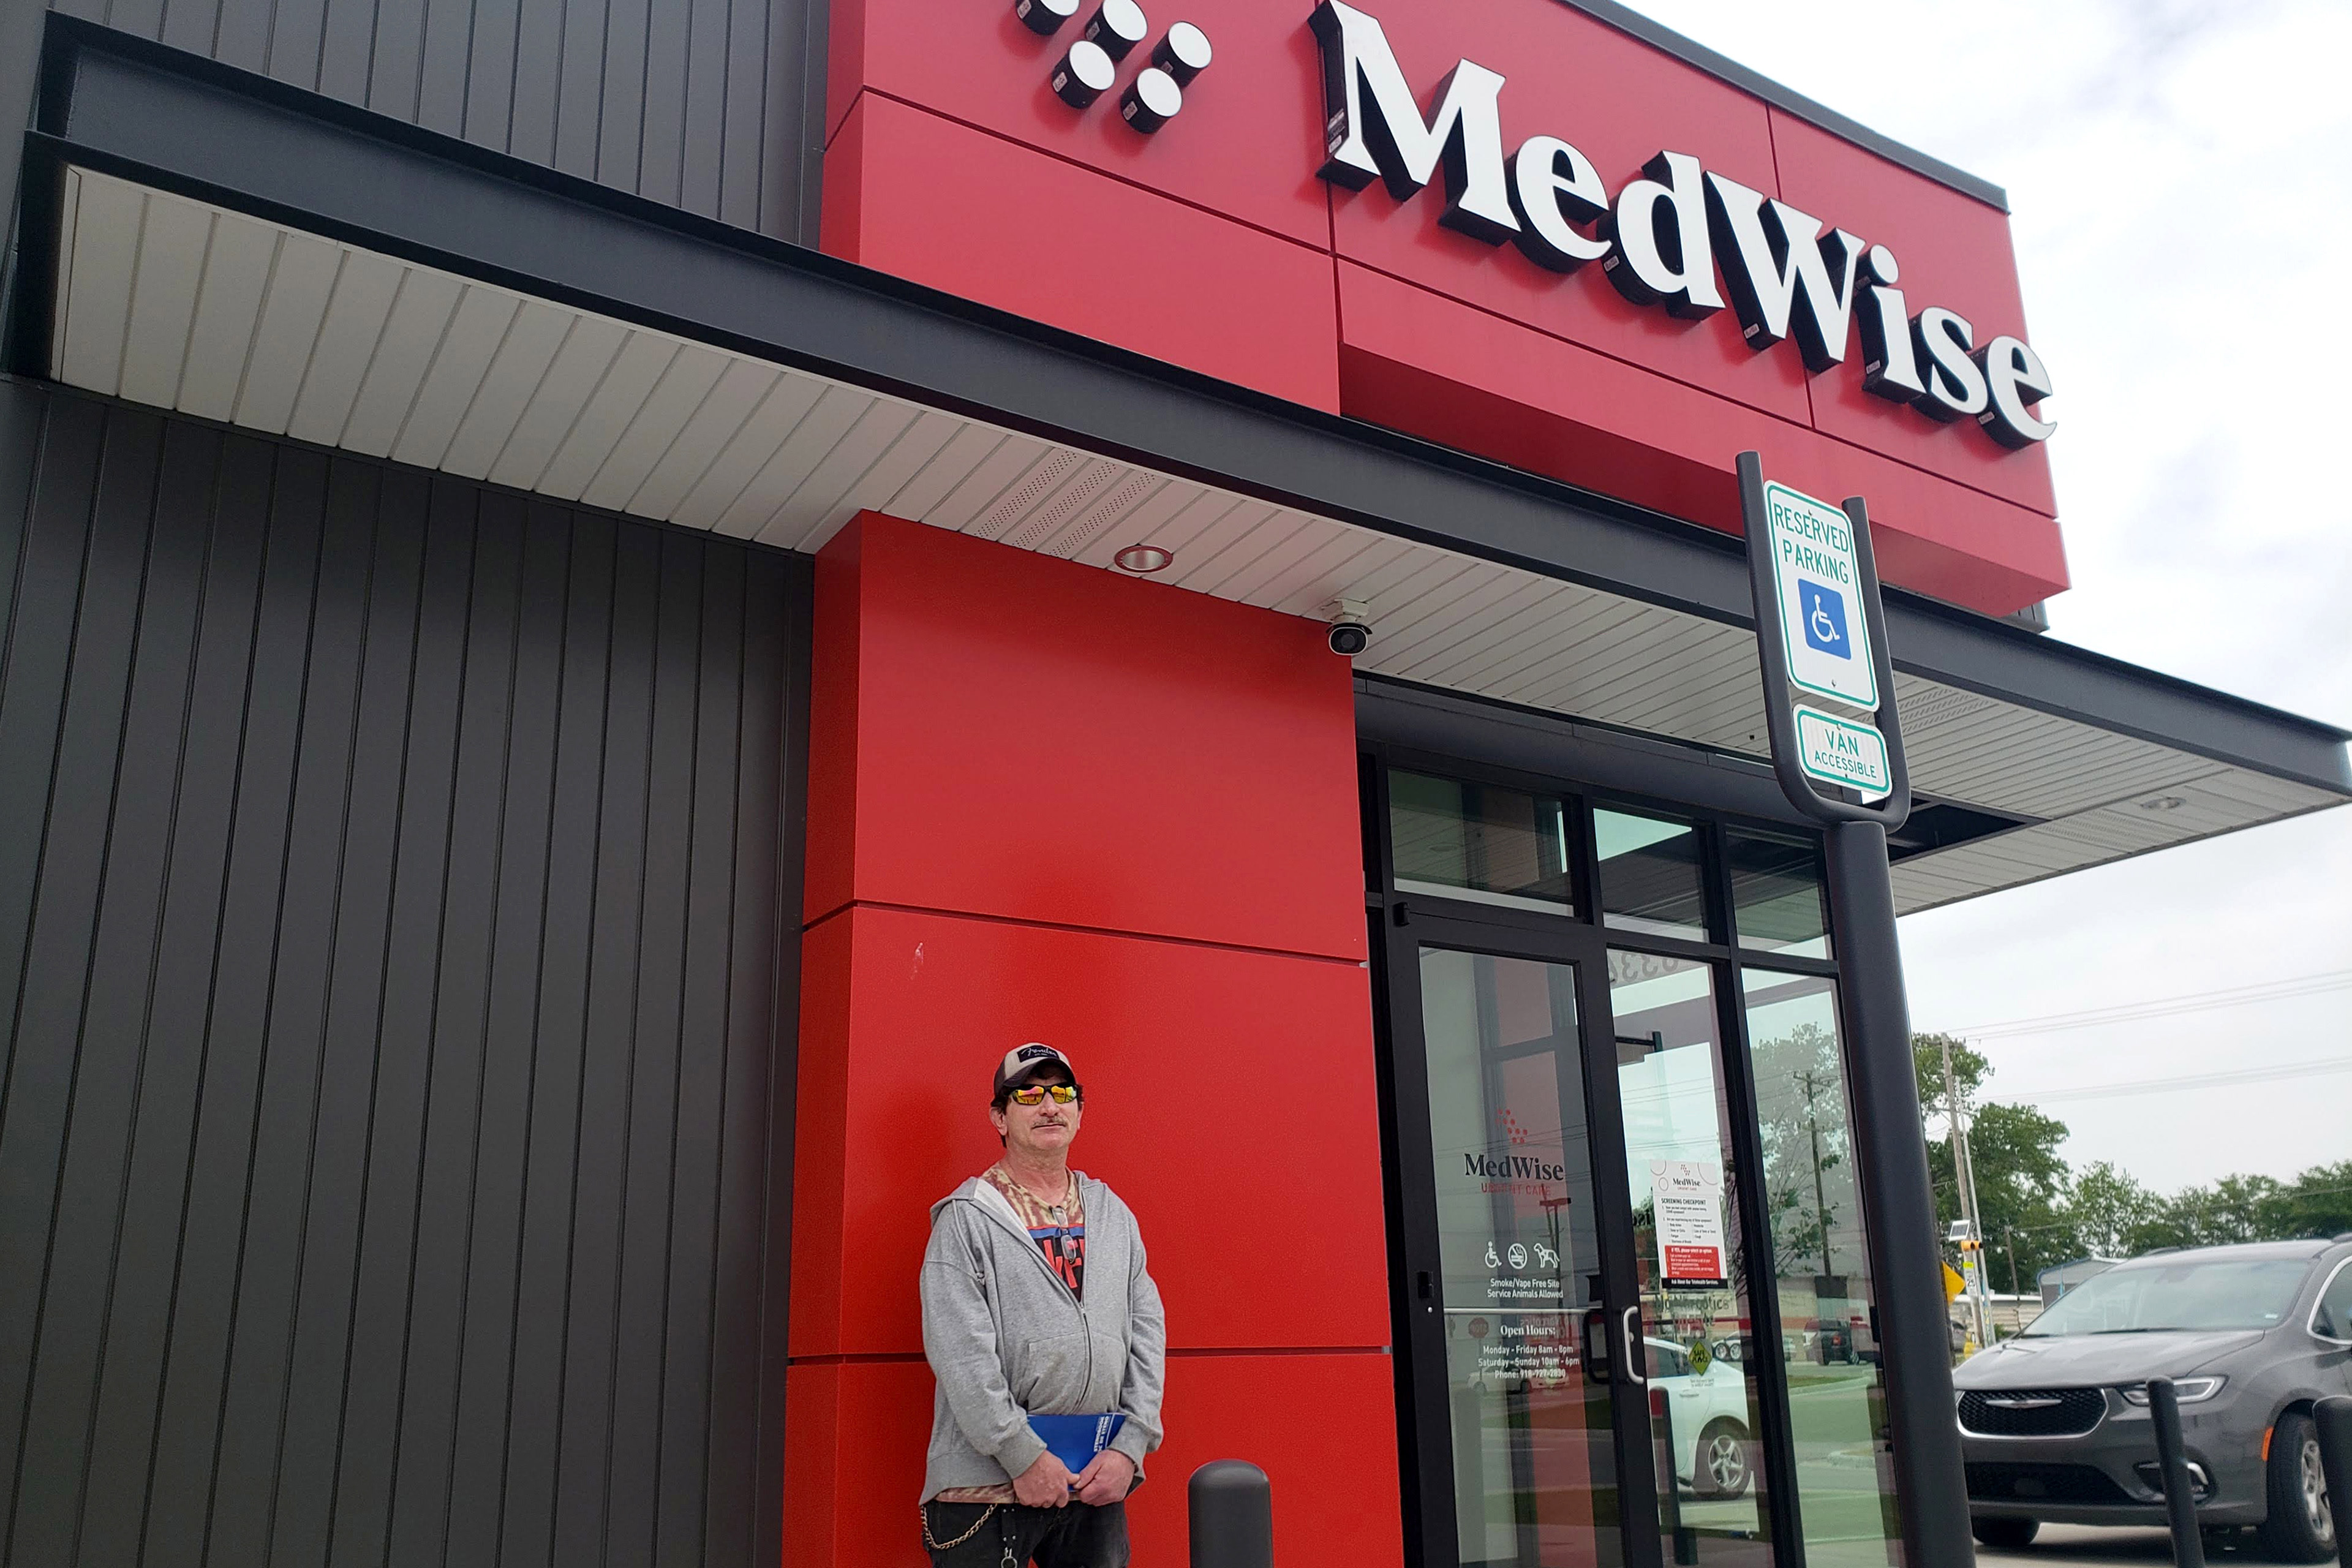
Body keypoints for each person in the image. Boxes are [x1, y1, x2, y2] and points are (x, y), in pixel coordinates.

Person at [919, 1043, 1166, 1567]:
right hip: (986, 1493)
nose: (1049, 1106)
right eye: (1029, 1094)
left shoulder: (1113, 1214)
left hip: (1095, 1483)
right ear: (999, 1117)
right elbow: (961, 1355)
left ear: (1080, 1111)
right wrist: (1023, 1456)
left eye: (1062, 1093)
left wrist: (1131, 1448)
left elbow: (1147, 1332)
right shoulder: (966, 1219)